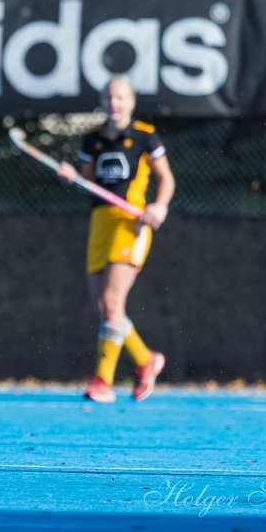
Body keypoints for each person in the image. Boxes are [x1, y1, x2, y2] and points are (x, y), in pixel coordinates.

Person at [56, 75, 175, 403]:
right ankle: (145, 360)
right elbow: (88, 180)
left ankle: (103, 381)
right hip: (100, 222)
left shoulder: (144, 136)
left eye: (121, 98)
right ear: (102, 101)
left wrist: (159, 206)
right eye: (110, 97)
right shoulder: (92, 139)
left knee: (112, 304)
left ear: (131, 102)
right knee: (102, 308)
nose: (115, 103)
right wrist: (73, 177)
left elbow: (166, 178)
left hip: (130, 223)